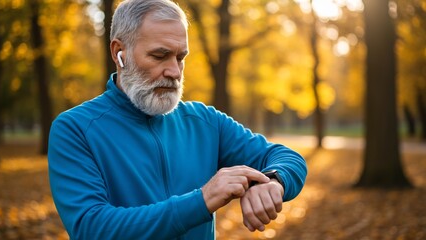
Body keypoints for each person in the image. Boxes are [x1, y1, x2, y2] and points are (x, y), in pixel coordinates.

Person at [47, 0, 307, 239]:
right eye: (159, 56)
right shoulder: (75, 128)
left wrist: (273, 182)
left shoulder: (205, 121)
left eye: (180, 57)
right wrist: (201, 201)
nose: (174, 71)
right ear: (119, 53)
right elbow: (92, 228)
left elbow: (288, 158)